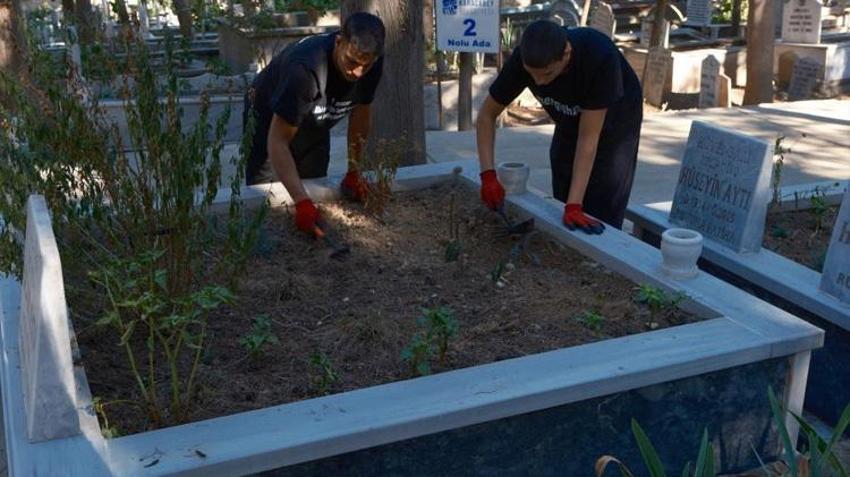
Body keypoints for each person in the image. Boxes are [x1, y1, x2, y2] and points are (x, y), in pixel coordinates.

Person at [477, 20, 643, 234]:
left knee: (603, 196)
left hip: (615, 121)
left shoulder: (599, 58)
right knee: (562, 172)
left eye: (546, 74)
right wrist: (488, 176)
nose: (539, 82)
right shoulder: (525, 59)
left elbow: (588, 139)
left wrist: (574, 206)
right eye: (531, 74)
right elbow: (486, 116)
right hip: (570, 117)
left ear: (566, 53)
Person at [244, 12, 385, 234]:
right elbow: (278, 141)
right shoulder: (305, 69)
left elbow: (360, 115)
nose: (358, 72)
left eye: (365, 66)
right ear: (339, 42)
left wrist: (354, 171)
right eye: (352, 62)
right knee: (269, 194)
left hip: (316, 115)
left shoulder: (371, 61)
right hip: (268, 114)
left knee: (313, 179)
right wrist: (302, 203)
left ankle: (310, 225)